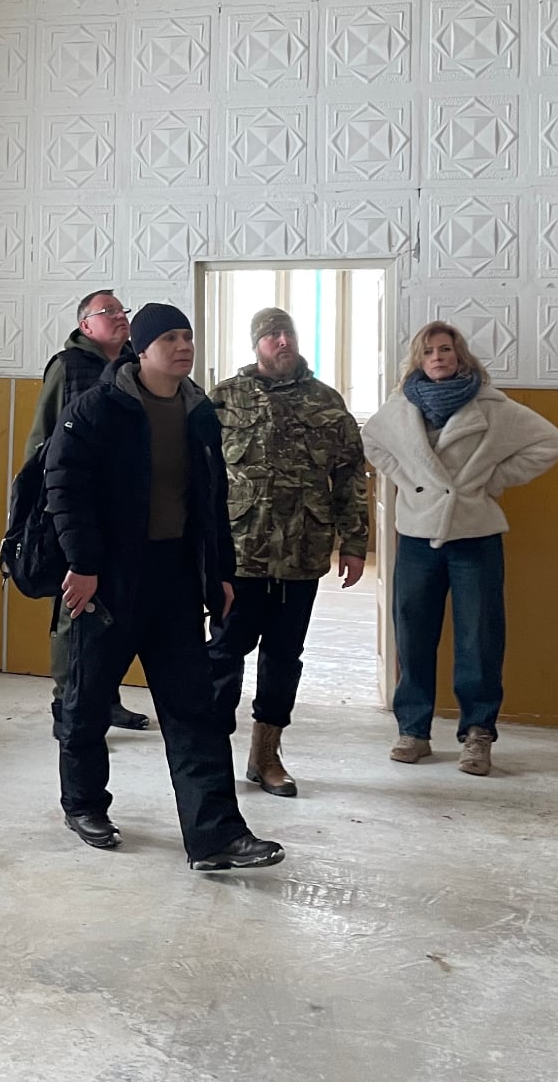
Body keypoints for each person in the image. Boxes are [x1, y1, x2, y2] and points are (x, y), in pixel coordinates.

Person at [45, 302, 283, 872]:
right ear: (143, 350)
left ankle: (215, 836)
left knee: (193, 709)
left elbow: (212, 499)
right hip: (107, 580)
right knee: (86, 701)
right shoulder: (98, 408)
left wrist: (220, 573)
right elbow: (64, 486)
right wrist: (83, 564)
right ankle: (84, 805)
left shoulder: (198, 411)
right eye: (170, 338)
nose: (183, 346)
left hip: (175, 579)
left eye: (188, 337)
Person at [362, 320, 558, 776]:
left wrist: (492, 481)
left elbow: (551, 443)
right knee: (412, 634)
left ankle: (478, 733)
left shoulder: (491, 406)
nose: (437, 358)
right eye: (428, 351)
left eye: (445, 350)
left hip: (475, 535)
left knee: (480, 637)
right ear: (418, 360)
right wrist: (406, 479)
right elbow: (372, 442)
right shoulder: (400, 407)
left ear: (460, 356)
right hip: (417, 535)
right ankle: (413, 730)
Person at [207, 307, 368, 799]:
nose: (283, 341)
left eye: (288, 333)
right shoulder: (223, 400)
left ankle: (266, 755)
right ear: (256, 344)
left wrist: (355, 543)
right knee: (223, 654)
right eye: (272, 335)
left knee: (283, 657)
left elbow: (350, 477)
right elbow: (198, 478)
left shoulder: (326, 402)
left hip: (302, 554)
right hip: (240, 555)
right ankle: (210, 756)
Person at [21, 288, 147, 734]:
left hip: (125, 513)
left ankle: (105, 699)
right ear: (85, 325)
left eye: (121, 310)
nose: (119, 316)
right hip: (73, 507)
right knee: (74, 610)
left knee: (117, 609)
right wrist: (42, 507)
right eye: (107, 311)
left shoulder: (136, 367)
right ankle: (67, 706)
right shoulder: (67, 367)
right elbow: (41, 439)